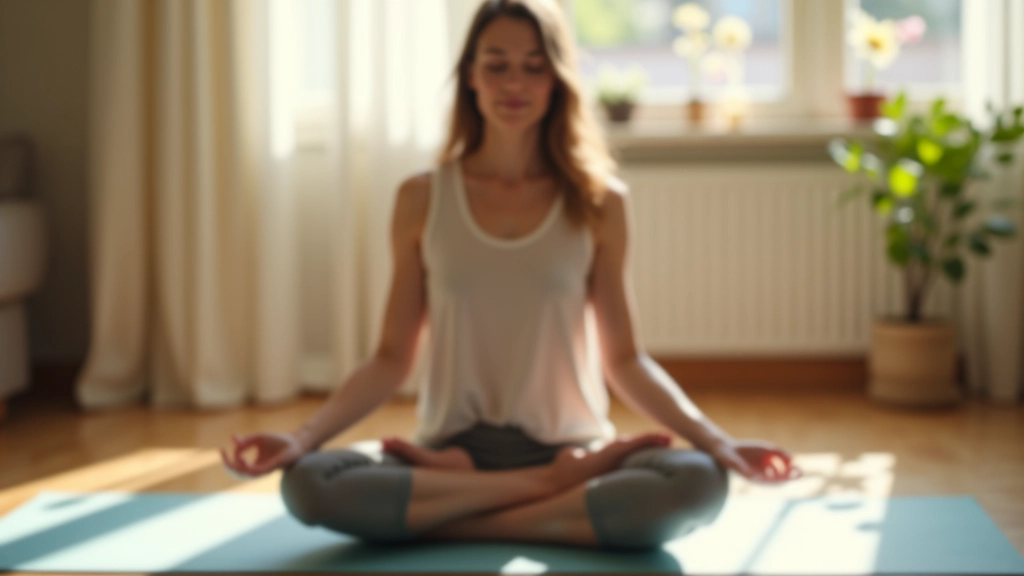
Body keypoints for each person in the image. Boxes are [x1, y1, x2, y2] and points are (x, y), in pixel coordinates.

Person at [221, 0, 802, 550]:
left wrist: (720, 443)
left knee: (697, 481)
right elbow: (391, 357)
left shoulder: (600, 202)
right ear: (471, 76)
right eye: (497, 65)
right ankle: (547, 498)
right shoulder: (421, 198)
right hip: (453, 451)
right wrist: (301, 439)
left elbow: (625, 360)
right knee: (310, 482)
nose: (514, 84)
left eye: (533, 66)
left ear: (557, 80)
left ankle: (454, 517)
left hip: (567, 448)